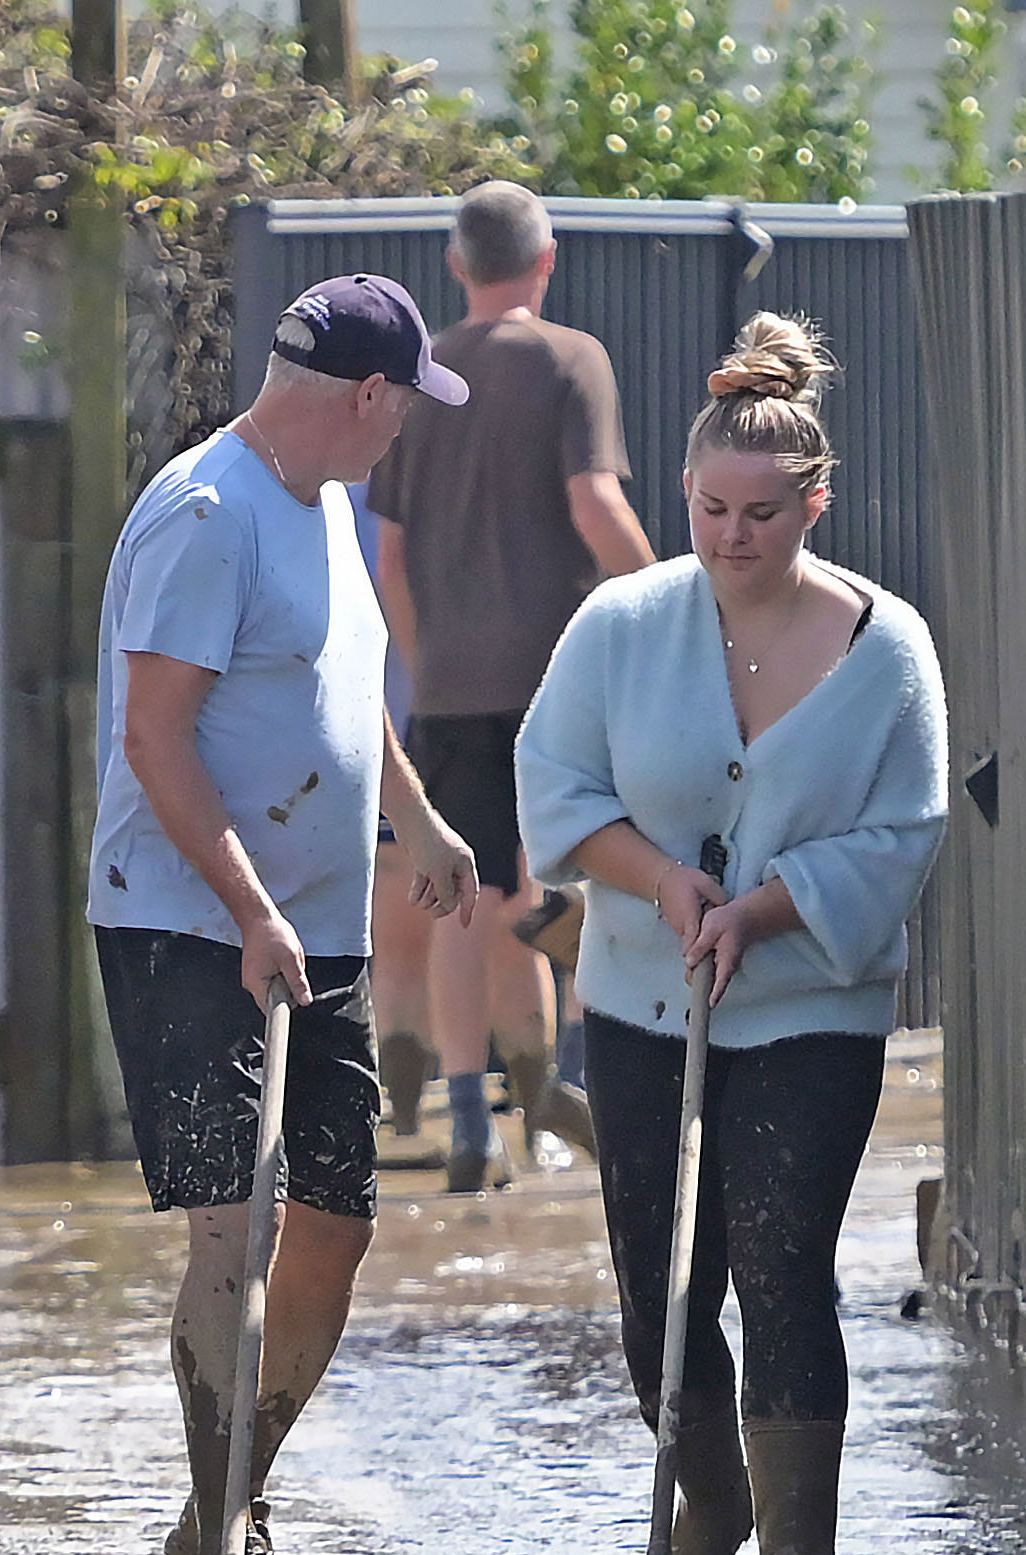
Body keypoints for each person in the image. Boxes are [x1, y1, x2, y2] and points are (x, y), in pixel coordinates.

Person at [514, 312, 945, 1555]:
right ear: (682, 495)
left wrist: (765, 907)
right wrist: (660, 881)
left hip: (809, 1007)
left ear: (815, 502)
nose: (731, 533)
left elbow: (905, 829)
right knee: (656, 1285)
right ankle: (709, 1505)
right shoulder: (619, 626)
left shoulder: (888, 653)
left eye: (763, 510)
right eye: (709, 507)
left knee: (780, 1264)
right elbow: (555, 786)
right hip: (644, 1000)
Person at [89, 270, 480, 1555]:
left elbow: (334, 682)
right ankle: (219, 1536)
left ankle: (232, 1491)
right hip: (191, 927)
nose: (402, 431)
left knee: (336, 1217)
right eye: (402, 407)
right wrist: (250, 908)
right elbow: (153, 735)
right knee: (231, 1227)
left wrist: (413, 818)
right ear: (366, 395)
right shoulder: (206, 515)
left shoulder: (330, 503)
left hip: (317, 929)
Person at [373, 185, 650, 1190]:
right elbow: (595, 502)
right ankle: (559, 1092)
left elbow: (391, 556)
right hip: (562, 683)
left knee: (466, 897)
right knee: (571, 886)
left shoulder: (422, 377)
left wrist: (428, 657)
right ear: (548, 259)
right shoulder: (572, 360)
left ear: (457, 267)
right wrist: (673, 609)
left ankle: (470, 1127)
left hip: (451, 691)